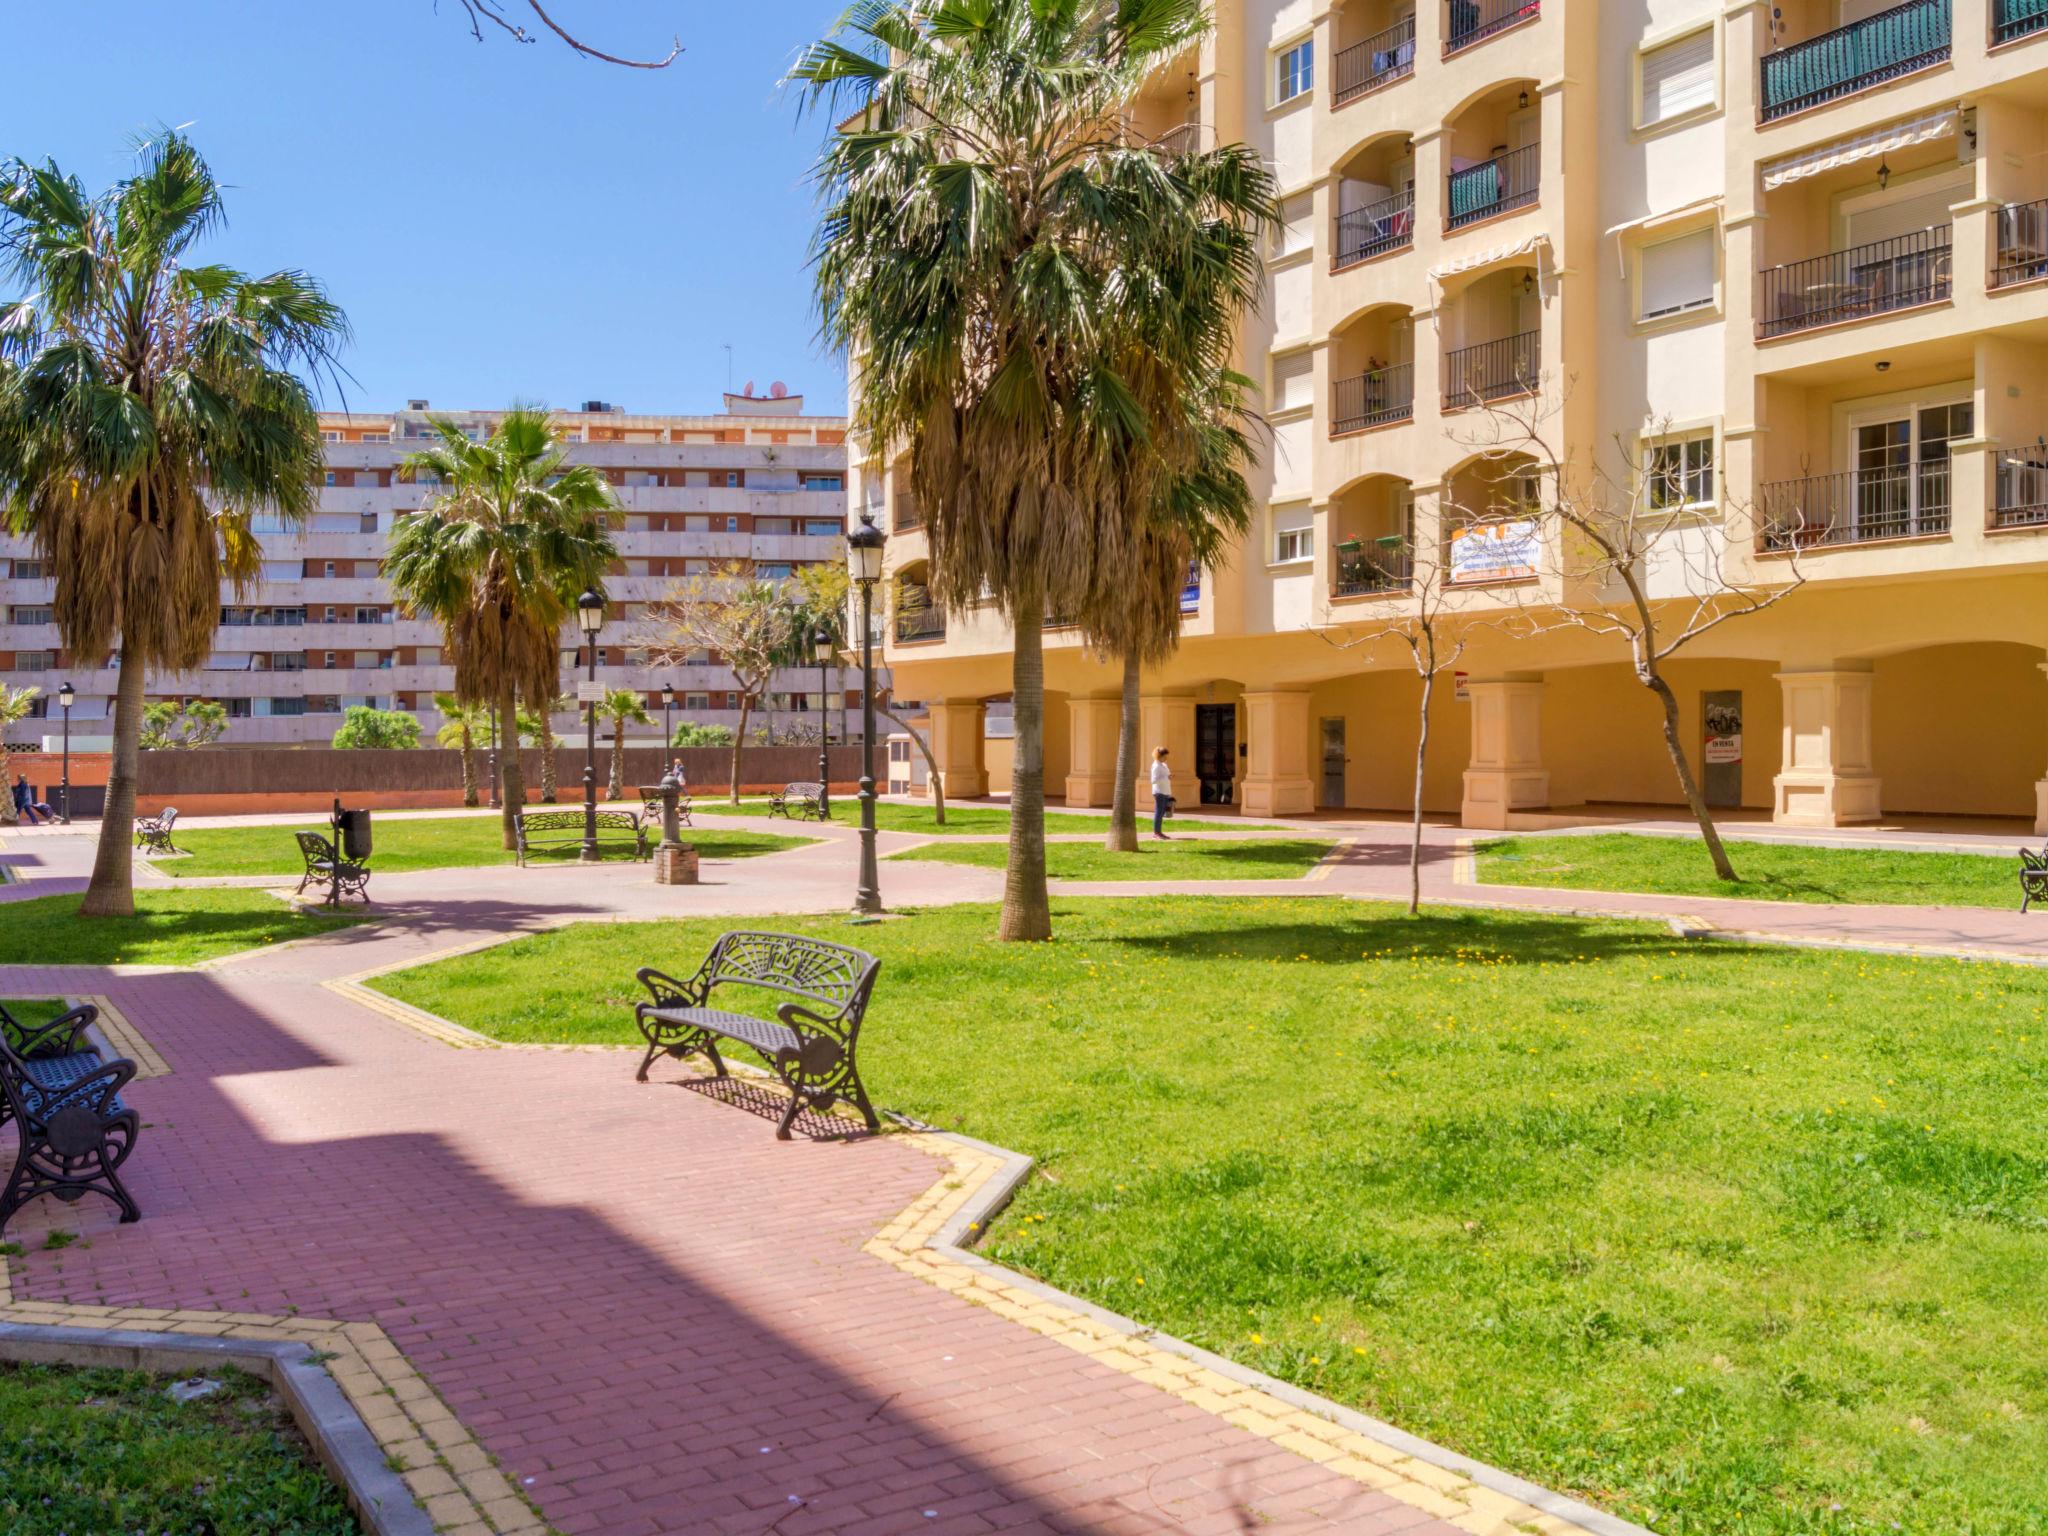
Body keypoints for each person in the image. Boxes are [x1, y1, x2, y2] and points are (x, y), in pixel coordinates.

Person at [1149, 747, 1173, 841]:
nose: (1166, 758)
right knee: (1158, 813)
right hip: (1159, 792)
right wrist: (1165, 778)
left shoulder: (1163, 765)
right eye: (1165, 756)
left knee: (1162, 812)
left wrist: (1169, 776)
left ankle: (1159, 832)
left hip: (1165, 791)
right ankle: (1156, 833)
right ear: (1160, 756)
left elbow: (1166, 776)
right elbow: (1153, 781)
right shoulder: (1156, 766)